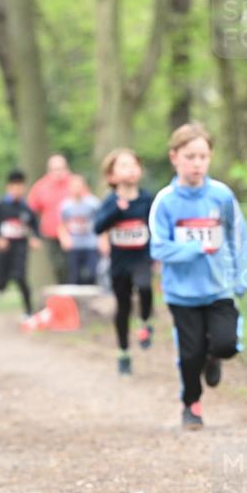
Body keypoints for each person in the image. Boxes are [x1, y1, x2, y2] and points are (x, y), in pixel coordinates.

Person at [150, 123, 247, 427]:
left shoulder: (221, 195)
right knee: (189, 354)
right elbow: (158, 248)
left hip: (219, 288)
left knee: (225, 344)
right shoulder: (165, 201)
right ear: (174, 157)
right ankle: (191, 404)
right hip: (182, 293)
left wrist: (241, 276)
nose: (197, 163)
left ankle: (214, 356)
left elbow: (238, 237)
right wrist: (194, 248)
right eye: (190, 156)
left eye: (203, 156)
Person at [94, 148, 154, 374]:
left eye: (133, 164)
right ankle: (123, 352)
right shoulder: (110, 202)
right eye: (123, 165)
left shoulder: (147, 198)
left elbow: (155, 227)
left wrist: (156, 253)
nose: (130, 169)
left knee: (146, 288)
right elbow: (97, 227)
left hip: (142, 258)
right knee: (123, 306)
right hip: (119, 262)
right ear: (111, 176)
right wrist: (115, 212)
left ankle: (146, 323)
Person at [0, 169, 41, 317]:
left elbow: (34, 226)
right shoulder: (1, 206)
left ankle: (29, 310)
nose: (17, 190)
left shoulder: (27, 208)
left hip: (20, 247)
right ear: (8, 188)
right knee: (2, 278)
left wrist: (35, 238)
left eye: (20, 187)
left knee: (20, 277)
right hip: (4, 248)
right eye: (14, 187)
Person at [27, 154, 73, 284]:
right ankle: (63, 292)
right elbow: (31, 213)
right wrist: (33, 235)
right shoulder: (40, 187)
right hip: (51, 234)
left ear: (67, 168)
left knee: (74, 267)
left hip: (74, 234)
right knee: (58, 266)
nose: (58, 172)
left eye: (61, 168)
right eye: (54, 169)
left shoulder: (74, 183)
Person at [59, 175, 100, 285]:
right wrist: (64, 238)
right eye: (74, 186)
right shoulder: (65, 205)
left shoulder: (93, 203)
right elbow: (62, 224)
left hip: (90, 244)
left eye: (79, 186)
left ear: (84, 187)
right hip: (74, 245)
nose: (76, 189)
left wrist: (101, 240)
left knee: (92, 274)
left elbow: (101, 222)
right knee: (74, 276)